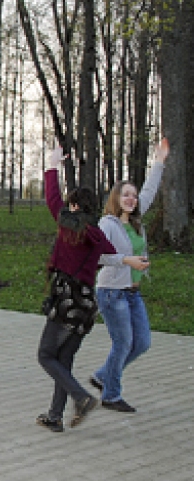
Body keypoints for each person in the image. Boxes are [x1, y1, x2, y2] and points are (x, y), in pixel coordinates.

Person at [35, 145, 118, 432]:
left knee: (46, 355)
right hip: (86, 305)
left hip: (66, 301)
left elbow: (51, 197)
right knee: (64, 359)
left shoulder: (69, 226)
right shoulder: (97, 234)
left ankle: (81, 398)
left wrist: (52, 165)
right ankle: (55, 417)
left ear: (73, 207)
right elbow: (111, 254)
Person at [90, 139, 168, 413]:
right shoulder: (107, 224)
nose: (131, 199)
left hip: (132, 292)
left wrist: (159, 162)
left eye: (133, 196)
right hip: (112, 292)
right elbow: (97, 257)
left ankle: (103, 375)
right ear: (116, 198)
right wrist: (126, 260)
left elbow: (149, 190)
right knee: (123, 344)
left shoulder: (135, 220)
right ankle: (111, 396)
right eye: (126, 195)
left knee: (142, 343)